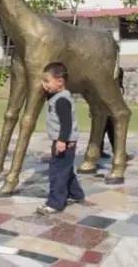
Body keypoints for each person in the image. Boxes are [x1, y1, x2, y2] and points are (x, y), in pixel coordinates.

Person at [37, 62, 85, 215]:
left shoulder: (62, 100)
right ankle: (76, 194)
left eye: (47, 82)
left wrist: (62, 141)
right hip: (63, 141)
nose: (44, 85)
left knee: (57, 172)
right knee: (66, 169)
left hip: (64, 141)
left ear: (60, 81)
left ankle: (55, 203)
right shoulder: (57, 96)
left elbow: (66, 123)